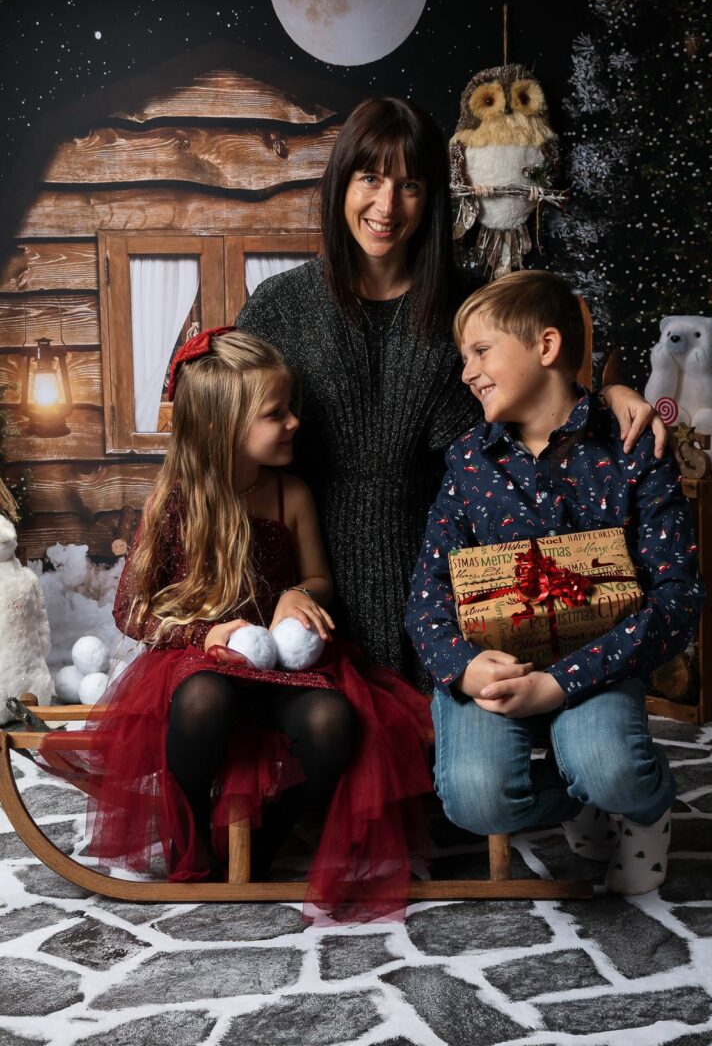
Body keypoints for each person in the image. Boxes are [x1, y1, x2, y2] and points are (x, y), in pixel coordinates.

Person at [236, 96, 664, 692]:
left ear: (433, 197)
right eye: (370, 179)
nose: (386, 206)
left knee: (440, 773)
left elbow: (544, 385)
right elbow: (226, 425)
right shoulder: (278, 307)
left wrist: (612, 392)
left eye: (409, 185)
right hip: (310, 579)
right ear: (341, 185)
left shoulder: (472, 302)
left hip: (444, 576)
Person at [40, 328, 432, 921]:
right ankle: (190, 830)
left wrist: (295, 598)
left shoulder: (289, 494)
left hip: (279, 659)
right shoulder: (175, 500)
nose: (295, 421)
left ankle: (268, 836)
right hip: (201, 657)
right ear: (225, 426)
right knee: (203, 698)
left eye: (291, 407)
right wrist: (205, 635)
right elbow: (132, 609)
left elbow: (320, 579)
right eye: (277, 413)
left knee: (334, 721)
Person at [405, 271, 705, 894]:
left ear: (545, 348)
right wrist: (462, 668)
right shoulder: (467, 460)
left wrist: (563, 682)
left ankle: (641, 805)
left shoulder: (633, 448)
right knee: (474, 801)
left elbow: (677, 597)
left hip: (597, 662)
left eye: (481, 352)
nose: (467, 372)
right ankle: (582, 801)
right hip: (493, 662)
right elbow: (428, 591)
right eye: (465, 357)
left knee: (611, 766)